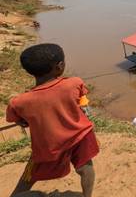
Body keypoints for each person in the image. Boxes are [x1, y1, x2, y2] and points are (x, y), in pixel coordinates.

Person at [6, 43, 98, 197]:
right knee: (86, 167)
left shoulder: (19, 102)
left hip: (48, 144)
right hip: (80, 137)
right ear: (60, 66)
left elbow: (18, 120)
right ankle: (87, 195)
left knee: (28, 178)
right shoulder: (74, 83)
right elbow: (81, 100)